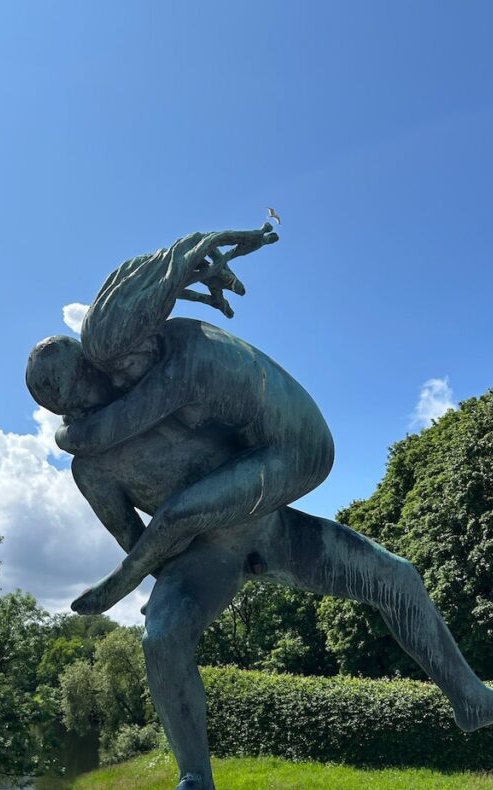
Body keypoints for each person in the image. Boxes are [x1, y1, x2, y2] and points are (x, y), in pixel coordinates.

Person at [26, 335, 493, 790]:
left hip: (271, 524)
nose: (77, 408)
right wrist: (169, 580)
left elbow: (243, 423)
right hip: (202, 559)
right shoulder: (91, 468)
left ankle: (470, 697)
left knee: (397, 576)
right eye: (63, 406)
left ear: (90, 367)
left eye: (76, 389)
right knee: (161, 639)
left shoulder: (161, 386)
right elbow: (129, 534)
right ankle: (195, 780)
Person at [54, 224, 335, 616]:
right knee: (187, 506)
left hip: (298, 453)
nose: (119, 382)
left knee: (179, 513)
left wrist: (62, 435)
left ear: (147, 338)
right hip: (257, 442)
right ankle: (169, 575)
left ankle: (125, 578)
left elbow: (103, 433)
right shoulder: (176, 339)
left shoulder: (186, 364)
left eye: (124, 367)